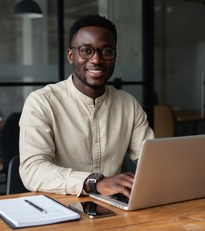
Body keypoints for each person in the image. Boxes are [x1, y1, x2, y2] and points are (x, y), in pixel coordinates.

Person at [19, 14, 154, 198]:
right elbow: (32, 170)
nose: (97, 60)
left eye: (106, 51)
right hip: (60, 209)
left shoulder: (128, 104)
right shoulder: (41, 102)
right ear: (71, 56)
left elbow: (152, 159)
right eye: (86, 50)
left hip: (113, 209)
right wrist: (94, 183)